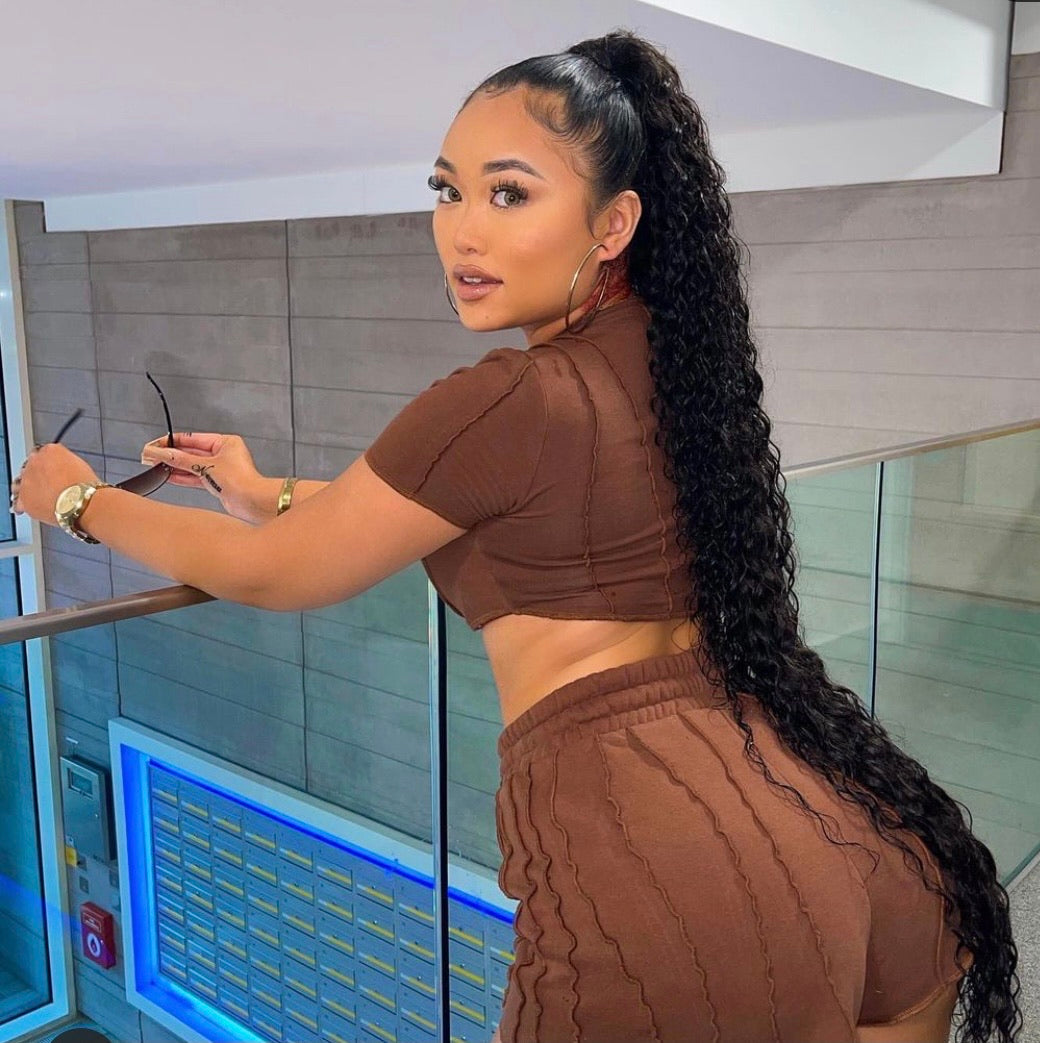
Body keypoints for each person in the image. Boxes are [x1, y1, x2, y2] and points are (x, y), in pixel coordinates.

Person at [12, 29, 1022, 1043]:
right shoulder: (668, 360)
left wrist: (78, 498)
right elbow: (476, 509)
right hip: (834, 818)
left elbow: (276, 575)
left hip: (659, 874)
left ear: (614, 222)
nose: (462, 232)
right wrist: (262, 488)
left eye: (507, 193)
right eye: (446, 190)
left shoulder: (507, 397)